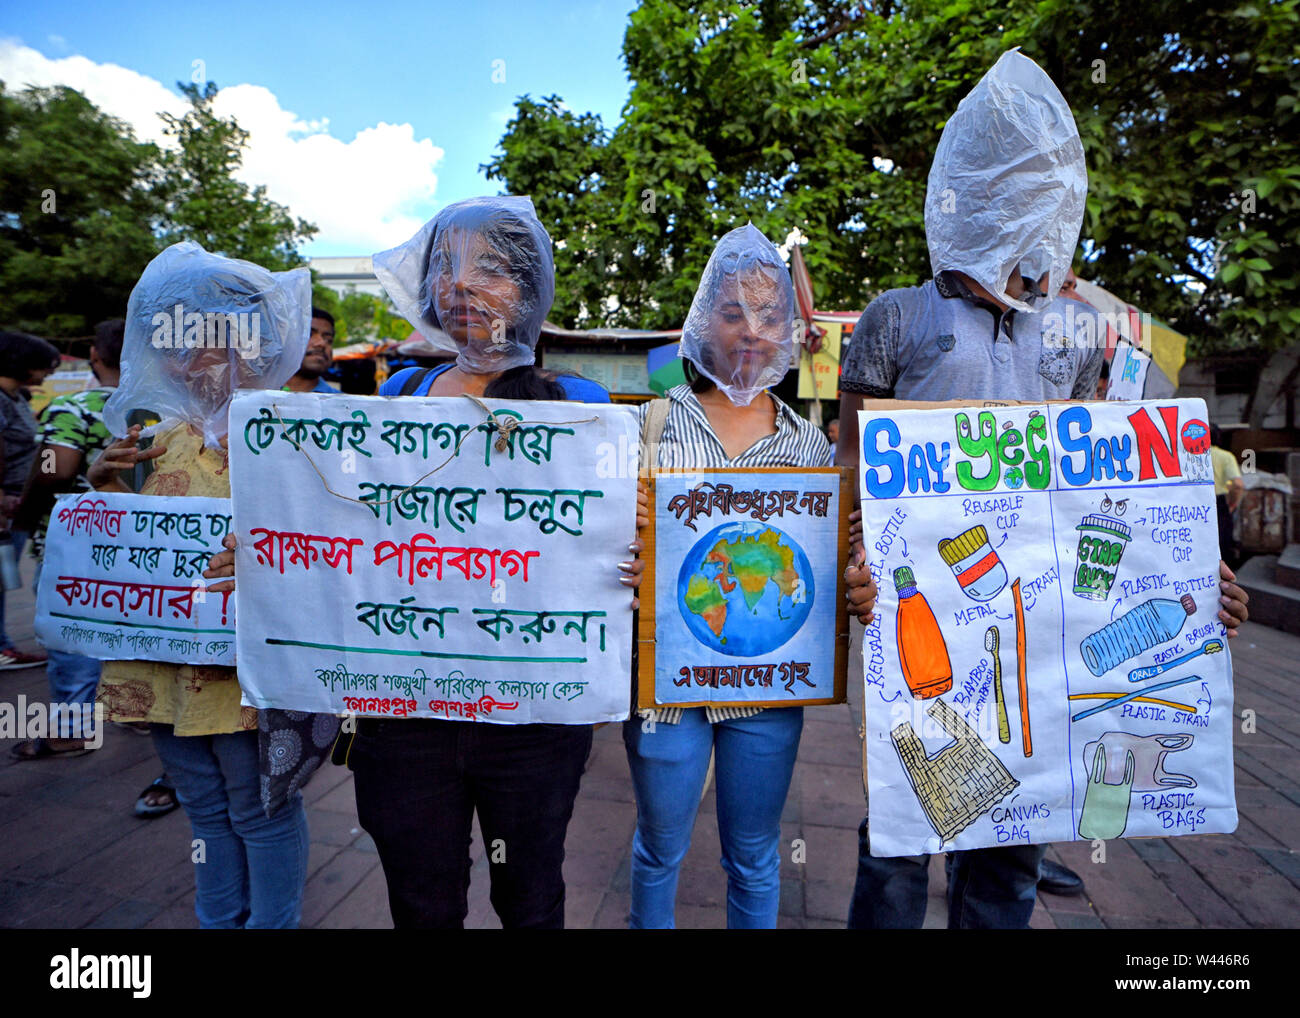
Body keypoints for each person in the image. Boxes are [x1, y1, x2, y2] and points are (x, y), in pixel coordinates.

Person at [836, 50, 1249, 929]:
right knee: (901, 845)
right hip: (923, 625)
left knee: (1011, 858)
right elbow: (851, 474)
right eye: (1007, 182)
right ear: (966, 189)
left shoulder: (1082, 333)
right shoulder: (894, 319)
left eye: (1044, 185)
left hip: (1046, 634)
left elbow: (1121, 490)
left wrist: (1187, 583)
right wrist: (855, 570)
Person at [340, 195, 638, 928]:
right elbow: (349, 527)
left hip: (532, 718)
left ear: (531, 290)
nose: (461, 284)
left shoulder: (580, 404)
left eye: (492, 269)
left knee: (531, 896)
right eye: (445, 266)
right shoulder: (398, 395)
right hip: (405, 713)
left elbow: (604, 538)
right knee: (421, 901)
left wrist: (638, 546)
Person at [89, 240, 313, 928]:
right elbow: (108, 551)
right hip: (162, 662)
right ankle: (219, 920)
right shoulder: (150, 440)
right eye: (172, 340)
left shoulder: (291, 436)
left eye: (205, 339)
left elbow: (336, 551)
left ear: (253, 343)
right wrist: (99, 487)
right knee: (207, 809)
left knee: (260, 808)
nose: (188, 361)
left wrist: (271, 553)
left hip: (246, 668)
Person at [625, 223, 835, 929]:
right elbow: (605, 549)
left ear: (788, 327)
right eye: (733, 311)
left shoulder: (807, 443)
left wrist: (855, 587)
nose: (752, 329)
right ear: (702, 320)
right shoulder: (649, 425)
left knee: (754, 852)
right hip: (665, 686)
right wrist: (625, 539)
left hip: (768, 688)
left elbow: (822, 568)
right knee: (660, 846)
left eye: (770, 314)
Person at [10, 321, 126, 761]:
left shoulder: (72, 407)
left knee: (73, 638)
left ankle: (72, 730)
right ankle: (138, 712)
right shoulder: (160, 411)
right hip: (145, 547)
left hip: (78, 545)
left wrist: (24, 512)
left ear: (95, 356)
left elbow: (53, 469)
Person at [0, 330, 61, 670]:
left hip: (17, 501)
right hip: (6, 502)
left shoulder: (16, 397)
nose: (46, 375)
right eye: (42, 368)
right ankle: (2, 648)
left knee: (4, 576)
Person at [1210, 424, 1244, 567]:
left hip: (1192, 502)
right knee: (1222, 542)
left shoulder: (1187, 456)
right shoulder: (1225, 456)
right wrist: (1233, 504)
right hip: (1218, 502)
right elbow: (1237, 485)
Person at [283, 307, 338, 393]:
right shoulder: (259, 392)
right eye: (309, 334)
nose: (321, 343)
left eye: (328, 339)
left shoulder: (342, 404)